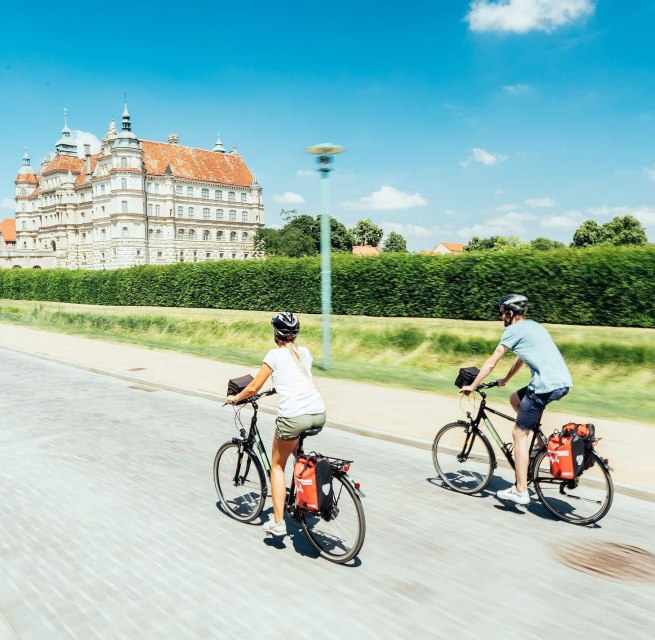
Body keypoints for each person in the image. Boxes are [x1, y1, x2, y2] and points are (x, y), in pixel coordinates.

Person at [460, 294, 572, 506]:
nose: (500, 316)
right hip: (562, 383)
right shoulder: (534, 326)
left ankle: (520, 490)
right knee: (515, 399)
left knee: (519, 433)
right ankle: (539, 447)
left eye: (502, 311)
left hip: (544, 386)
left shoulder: (512, 330)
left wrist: (472, 386)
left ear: (510, 313)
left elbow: (491, 362)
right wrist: (506, 379)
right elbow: (522, 356)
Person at [227, 312, 326, 536]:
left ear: (276, 334)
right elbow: (295, 379)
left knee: (277, 467)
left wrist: (237, 398)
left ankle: (278, 522)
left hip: (293, 418)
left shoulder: (274, 355)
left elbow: (253, 387)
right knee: (295, 454)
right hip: (318, 413)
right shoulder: (305, 353)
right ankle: (304, 494)